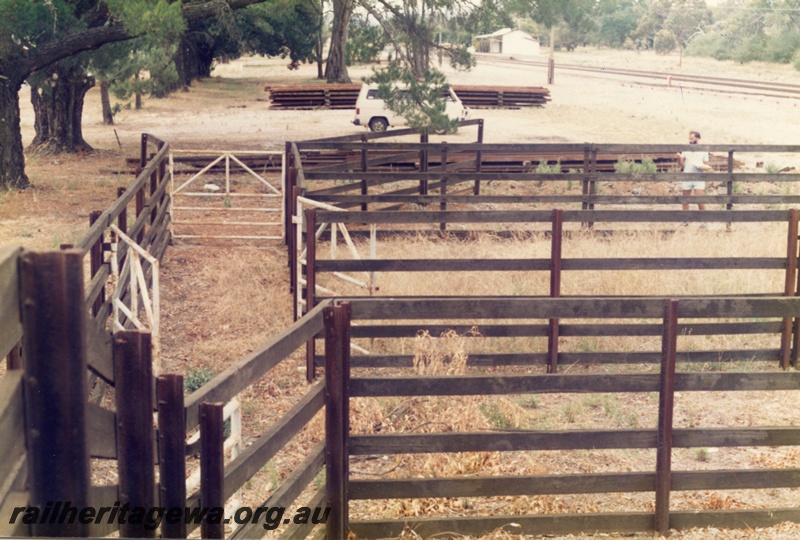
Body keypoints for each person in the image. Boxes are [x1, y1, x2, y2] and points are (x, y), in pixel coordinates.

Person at [677, 130, 712, 210]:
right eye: (689, 139)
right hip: (687, 177)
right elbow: (681, 165)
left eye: (692, 139)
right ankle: (685, 220)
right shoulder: (685, 149)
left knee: (700, 201)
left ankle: (703, 221)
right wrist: (679, 158)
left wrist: (702, 167)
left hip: (699, 178)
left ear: (697, 138)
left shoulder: (703, 151)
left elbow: (707, 166)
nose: (690, 141)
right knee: (685, 201)